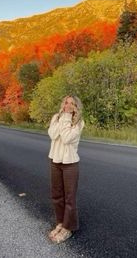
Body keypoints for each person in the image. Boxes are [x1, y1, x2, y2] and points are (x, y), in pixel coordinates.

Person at [47, 95, 85, 244]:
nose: (68, 105)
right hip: (55, 161)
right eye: (66, 103)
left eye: (72, 104)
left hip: (70, 164)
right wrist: (62, 118)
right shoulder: (56, 117)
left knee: (69, 198)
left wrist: (67, 117)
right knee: (56, 195)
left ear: (76, 106)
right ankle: (60, 223)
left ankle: (68, 228)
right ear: (63, 104)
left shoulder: (79, 122)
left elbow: (66, 138)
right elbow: (53, 134)